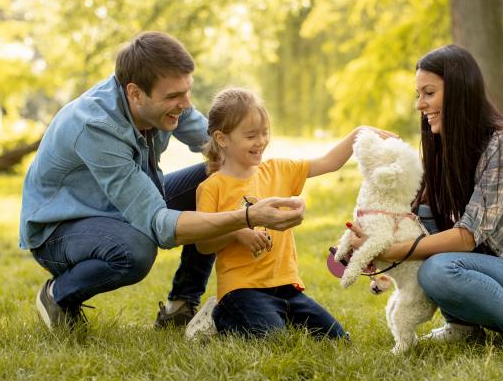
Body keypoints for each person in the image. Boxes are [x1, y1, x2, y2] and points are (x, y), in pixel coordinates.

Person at [20, 31, 304, 331]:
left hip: (117, 206)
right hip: (61, 229)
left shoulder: (163, 101)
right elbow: (157, 223)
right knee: (136, 250)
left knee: (216, 174)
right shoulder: (96, 126)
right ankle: (59, 294)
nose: (184, 104)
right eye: (172, 97)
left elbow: (218, 144)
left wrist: (259, 174)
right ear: (135, 93)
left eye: (187, 92)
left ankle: (180, 305)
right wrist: (245, 217)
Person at [348, 44, 503, 359]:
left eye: (428, 93)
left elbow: (467, 237)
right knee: (422, 215)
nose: (420, 104)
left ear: (459, 90)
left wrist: (392, 250)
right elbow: (416, 224)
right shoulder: (446, 147)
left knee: (438, 270)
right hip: (489, 269)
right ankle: (462, 327)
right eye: (418, 94)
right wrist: (380, 249)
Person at [194, 87, 391, 338]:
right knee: (273, 338)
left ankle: (267, 316)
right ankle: (220, 315)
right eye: (251, 135)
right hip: (241, 289)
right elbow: (203, 244)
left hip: (287, 289)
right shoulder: (212, 187)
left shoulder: (279, 170)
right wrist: (236, 232)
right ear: (222, 139)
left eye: (264, 133)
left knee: (337, 339)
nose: (261, 141)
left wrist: (358, 134)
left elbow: (328, 162)